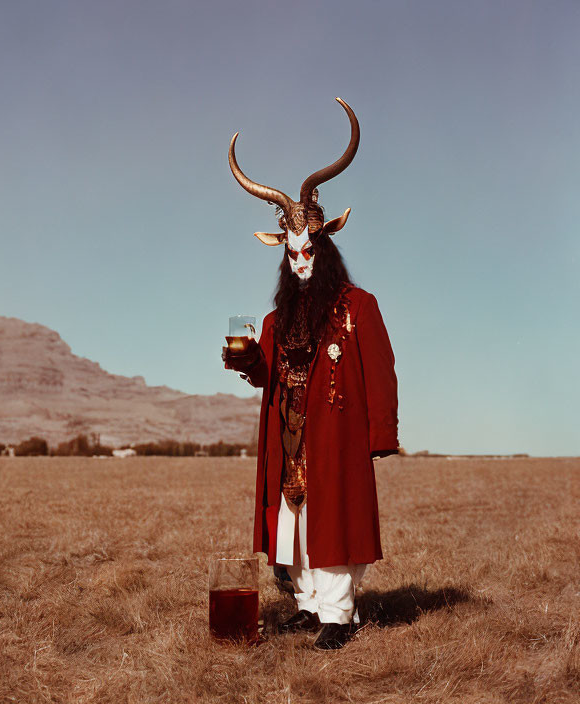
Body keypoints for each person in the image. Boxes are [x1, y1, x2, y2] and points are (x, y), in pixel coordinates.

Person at [222, 98, 398, 650]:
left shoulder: (357, 306)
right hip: (288, 432)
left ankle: (339, 616)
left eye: (309, 250)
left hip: (336, 432)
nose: (300, 261)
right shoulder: (276, 318)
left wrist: (378, 436)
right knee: (293, 520)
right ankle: (306, 604)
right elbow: (268, 373)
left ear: (325, 242)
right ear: (283, 250)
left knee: (334, 520)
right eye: (292, 252)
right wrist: (248, 358)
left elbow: (382, 371)